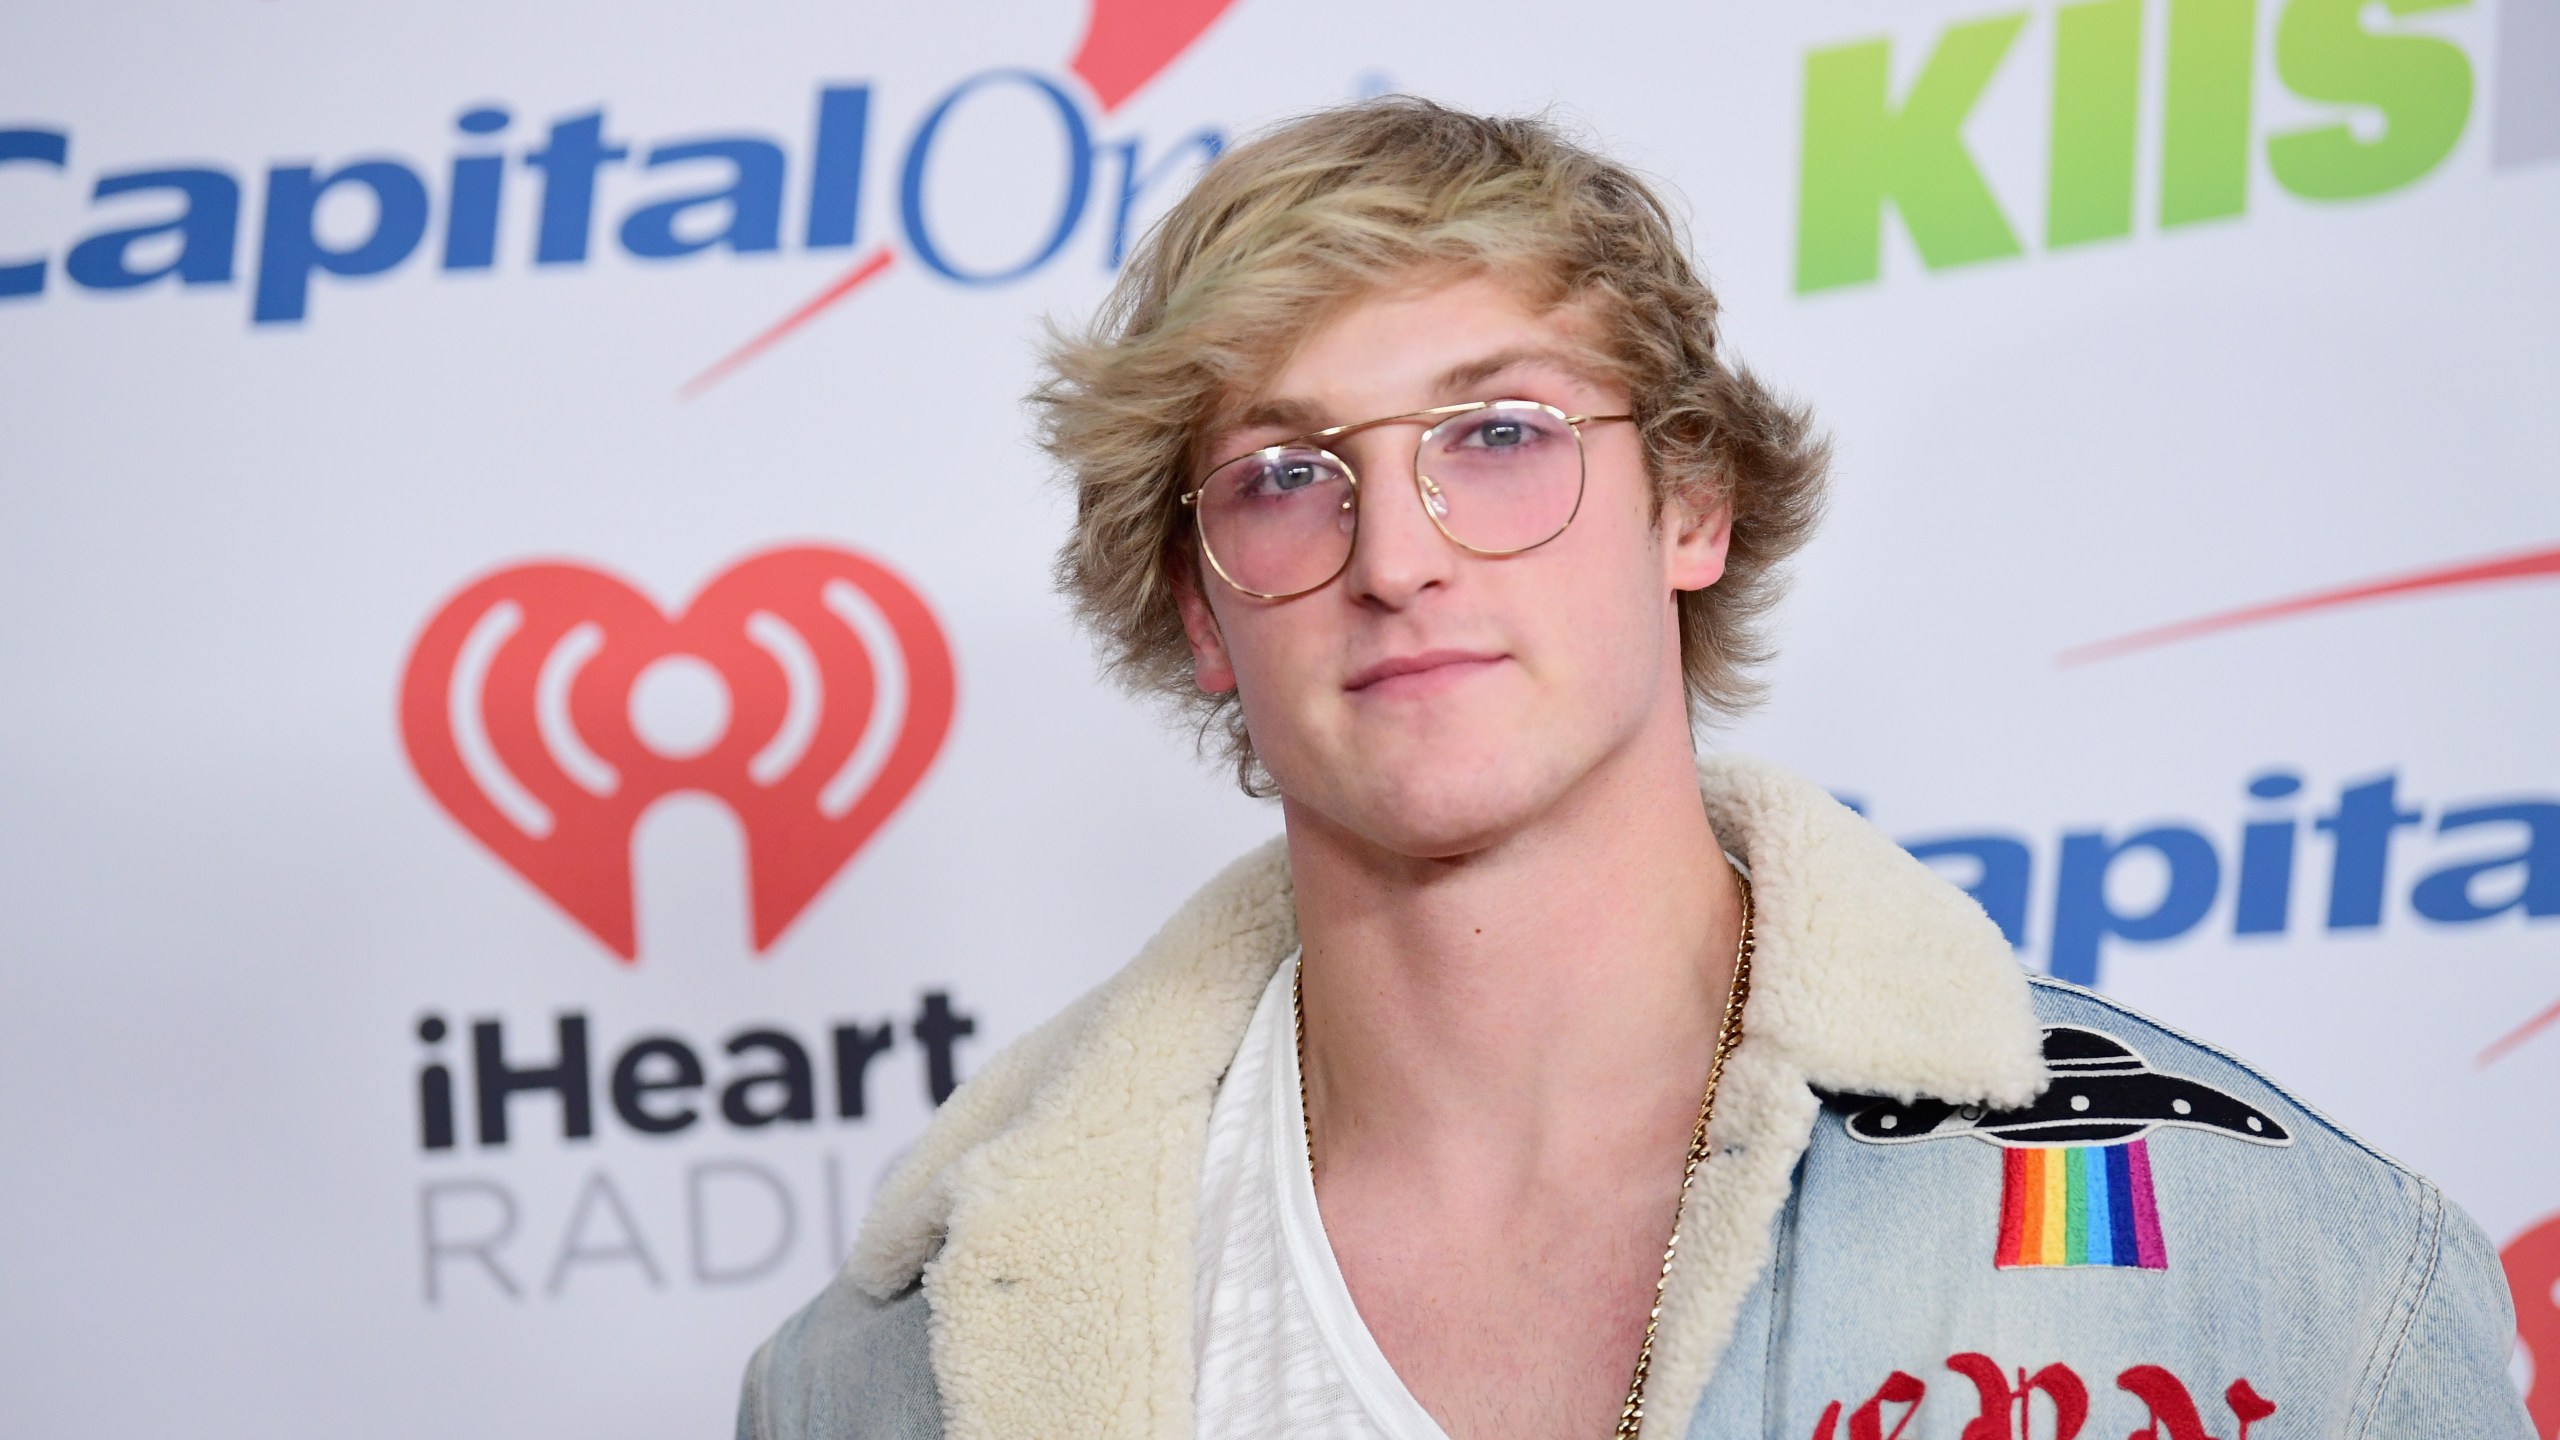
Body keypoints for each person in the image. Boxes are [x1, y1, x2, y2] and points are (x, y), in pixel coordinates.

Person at [738, 98, 2529, 1440]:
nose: (1399, 555)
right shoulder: (897, 1374)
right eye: (1286, 475)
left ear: (1691, 501)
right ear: (1201, 611)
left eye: (1498, 435)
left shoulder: (2269, 1259)